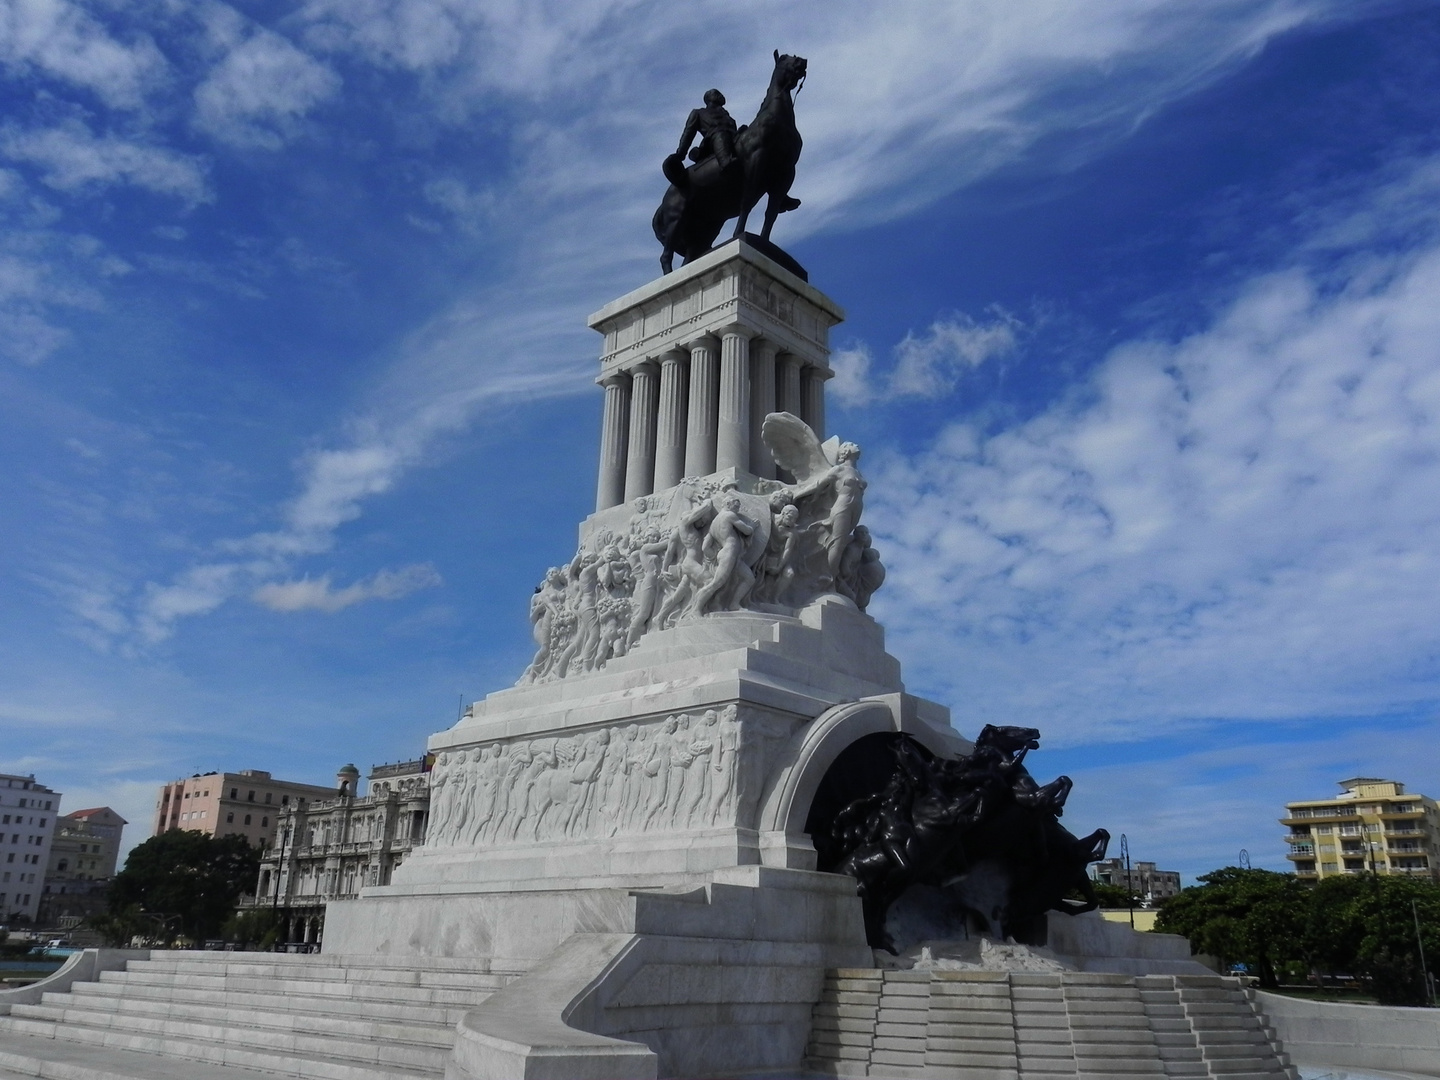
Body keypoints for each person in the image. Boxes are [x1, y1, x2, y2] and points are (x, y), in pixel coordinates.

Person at [676, 89, 737, 170]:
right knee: (720, 135)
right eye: (716, 93)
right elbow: (688, 134)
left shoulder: (726, 115)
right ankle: (725, 163)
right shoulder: (698, 113)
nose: (721, 95)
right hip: (712, 143)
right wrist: (680, 154)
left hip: (732, 138)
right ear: (708, 98)